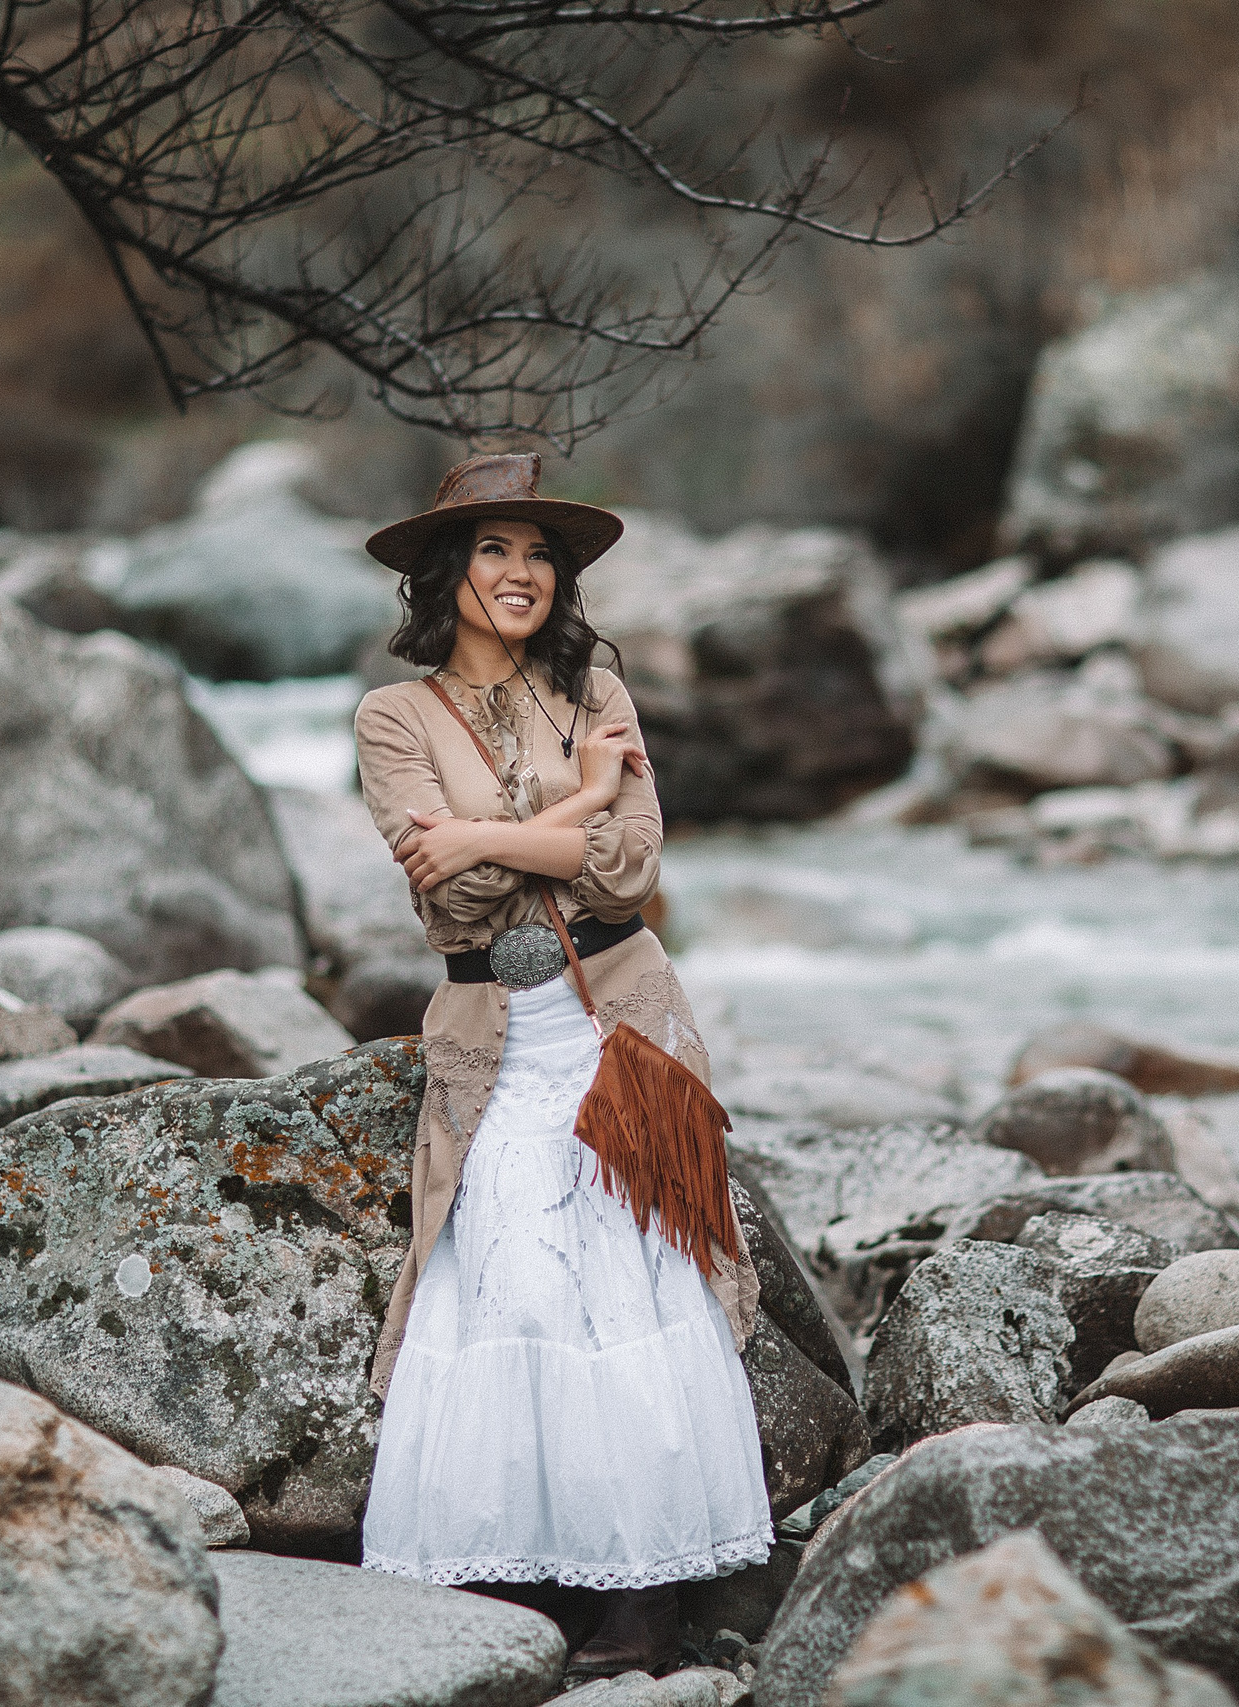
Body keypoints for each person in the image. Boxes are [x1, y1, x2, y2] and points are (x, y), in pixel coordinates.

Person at [351, 453, 772, 1676]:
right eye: (493, 548)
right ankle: (514, 1572)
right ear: (447, 570)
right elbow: (453, 898)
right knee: (508, 1283)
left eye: (538, 552)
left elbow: (633, 870)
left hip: (621, 1022)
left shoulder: (594, 681)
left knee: (635, 1279)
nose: (521, 572)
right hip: (496, 1040)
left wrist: (484, 827)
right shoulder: (395, 717)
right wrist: (573, 801)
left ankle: (644, 1599)